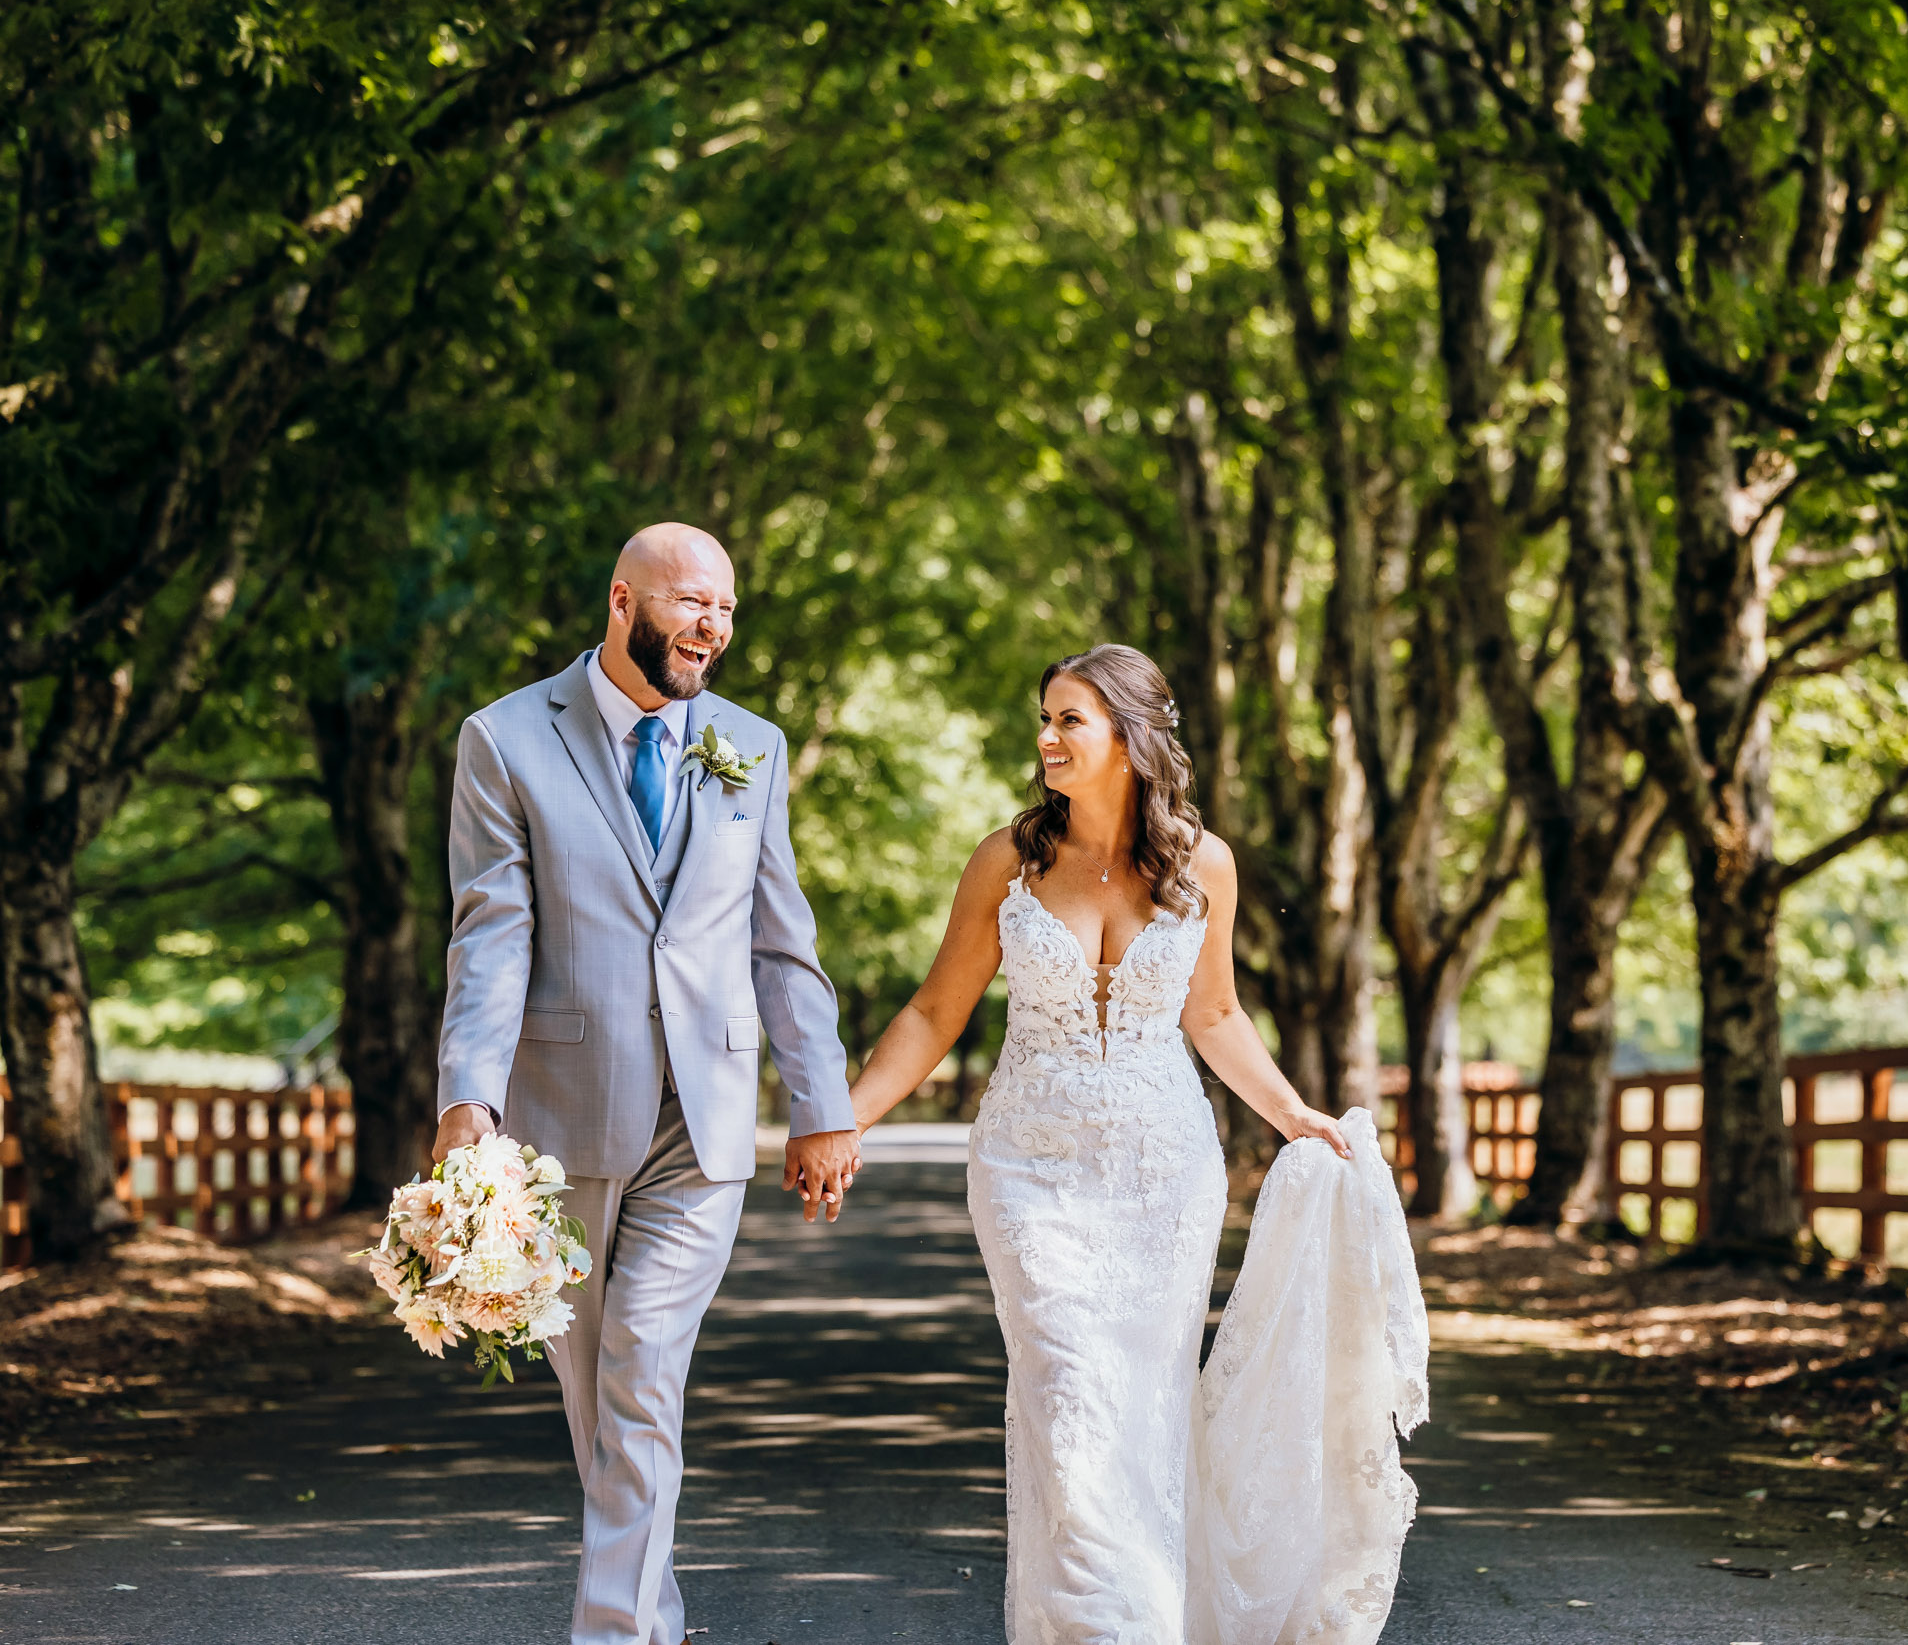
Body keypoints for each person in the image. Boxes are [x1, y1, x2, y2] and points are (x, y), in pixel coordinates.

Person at [844, 643, 1426, 1644]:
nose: (1046, 736)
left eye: (1069, 718)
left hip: (1163, 1175)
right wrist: (840, 1119)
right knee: (1068, 1391)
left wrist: (1293, 1113)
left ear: (1128, 733)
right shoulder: (1007, 860)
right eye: (1045, 716)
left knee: (1144, 1412)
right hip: (1030, 1167)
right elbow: (936, 1008)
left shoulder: (1204, 864)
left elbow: (1214, 1013)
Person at [430, 523, 860, 1645]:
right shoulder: (507, 739)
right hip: (564, 1117)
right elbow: (491, 934)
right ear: (623, 600)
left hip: (706, 1119)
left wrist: (821, 1105)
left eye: (725, 608)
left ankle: (611, 1631)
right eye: (690, 603)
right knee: (600, 1394)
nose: (711, 627)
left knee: (639, 1358)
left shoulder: (750, 747)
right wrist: (467, 1101)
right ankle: (649, 1612)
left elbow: (780, 942)